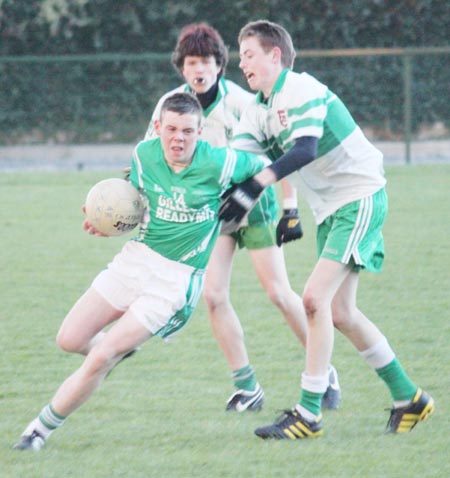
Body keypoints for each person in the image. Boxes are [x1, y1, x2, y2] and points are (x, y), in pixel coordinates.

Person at [13, 92, 269, 451]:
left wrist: (248, 195)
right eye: (171, 129)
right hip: (134, 261)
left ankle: (38, 431)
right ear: (157, 128)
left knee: (101, 357)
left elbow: (267, 165)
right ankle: (117, 351)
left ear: (200, 133)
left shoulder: (221, 162)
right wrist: (105, 223)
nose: (178, 138)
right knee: (69, 340)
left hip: (174, 282)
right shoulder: (143, 155)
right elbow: (133, 202)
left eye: (188, 131)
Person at [219, 20, 434, 439]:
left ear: (274, 55)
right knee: (340, 312)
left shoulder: (300, 88)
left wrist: (256, 187)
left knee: (314, 300)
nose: (241, 63)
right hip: (333, 210)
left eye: (248, 54)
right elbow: (232, 163)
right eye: (240, 55)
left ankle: (309, 413)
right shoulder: (256, 110)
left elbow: (305, 148)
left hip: (360, 197)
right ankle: (409, 398)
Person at [145, 22, 341, 412]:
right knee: (213, 296)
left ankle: (325, 372)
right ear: (181, 68)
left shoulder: (241, 102)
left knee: (278, 294)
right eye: (190, 63)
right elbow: (151, 152)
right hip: (211, 214)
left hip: (255, 208)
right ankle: (247, 387)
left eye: (206, 61)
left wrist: (289, 208)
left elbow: (277, 153)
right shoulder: (171, 105)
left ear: (220, 65)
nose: (198, 70)